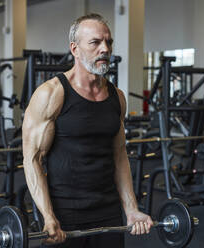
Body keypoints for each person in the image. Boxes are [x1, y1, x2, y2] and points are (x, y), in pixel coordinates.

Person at [22, 13, 153, 248]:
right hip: (65, 212)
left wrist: (131, 209)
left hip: (108, 210)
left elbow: (120, 156)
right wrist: (48, 216)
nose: (105, 48)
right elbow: (33, 159)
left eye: (108, 42)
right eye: (95, 42)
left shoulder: (117, 97)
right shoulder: (51, 94)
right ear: (75, 49)